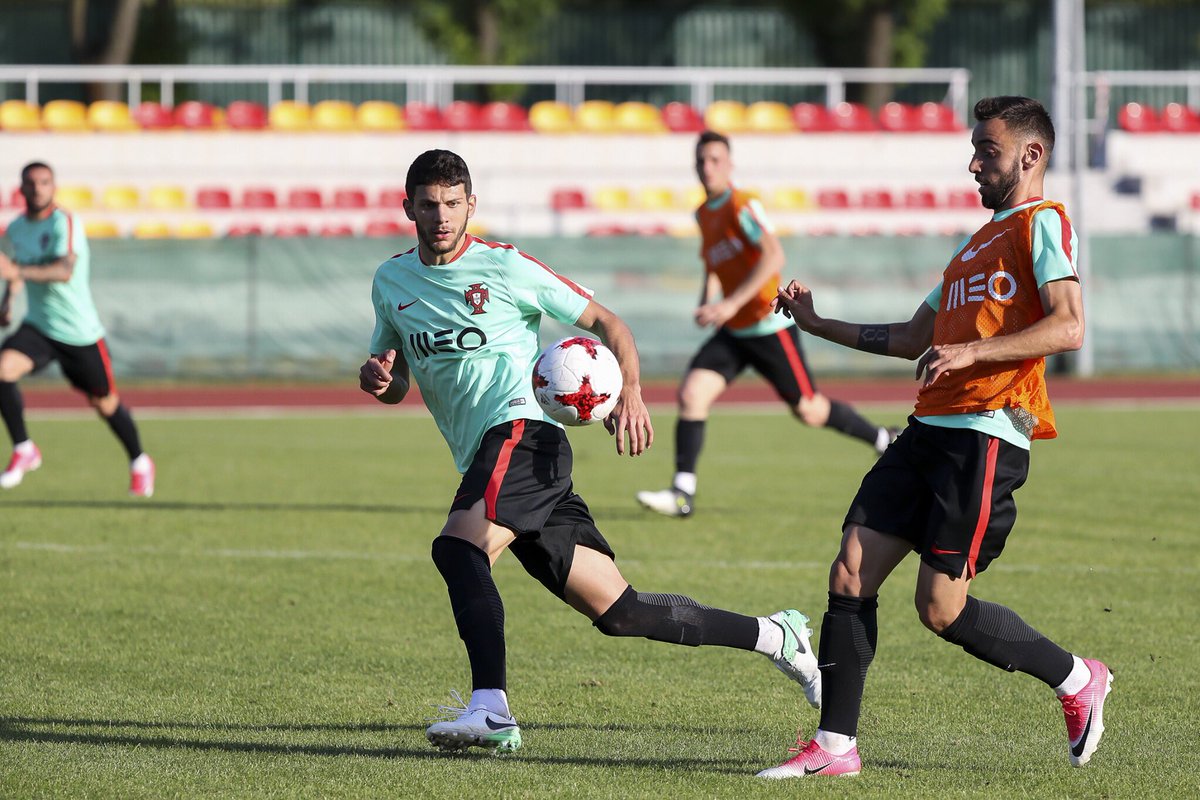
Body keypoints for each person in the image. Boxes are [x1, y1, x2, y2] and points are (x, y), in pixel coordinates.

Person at [359, 149, 821, 754]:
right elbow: (395, 380)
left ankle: (490, 708)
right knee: (621, 612)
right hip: (492, 455)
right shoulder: (391, 282)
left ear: (471, 205)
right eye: (428, 205)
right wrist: (381, 381)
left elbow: (609, 322)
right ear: (408, 208)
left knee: (458, 548)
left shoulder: (506, 267)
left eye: (452, 204)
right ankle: (775, 635)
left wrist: (628, 391)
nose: (441, 216)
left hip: (523, 434)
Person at [756, 96, 1111, 779]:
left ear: (1031, 156)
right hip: (926, 431)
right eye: (974, 149)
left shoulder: (1044, 223)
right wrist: (818, 322)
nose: (973, 163)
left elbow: (1069, 327)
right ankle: (835, 748)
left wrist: (974, 354)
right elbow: (917, 338)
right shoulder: (973, 244)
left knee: (940, 609)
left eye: (988, 151)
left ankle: (1075, 678)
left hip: (982, 438)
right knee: (850, 569)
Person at [636, 130, 894, 519]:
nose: (707, 168)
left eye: (715, 160)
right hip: (733, 330)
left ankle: (882, 437)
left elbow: (774, 256)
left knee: (809, 410)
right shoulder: (703, 213)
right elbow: (713, 262)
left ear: (729, 165)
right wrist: (708, 300)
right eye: (701, 161)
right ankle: (681, 493)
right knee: (692, 394)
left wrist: (730, 303)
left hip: (767, 325)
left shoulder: (743, 204)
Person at [0, 162, 154, 496]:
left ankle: (139, 461)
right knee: (2, 370)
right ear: (22, 188)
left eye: (45, 182)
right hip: (39, 327)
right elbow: (12, 271)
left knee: (105, 404)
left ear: (53, 187)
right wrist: (8, 302)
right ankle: (24, 448)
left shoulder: (64, 222)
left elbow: (63, 270)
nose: (38, 188)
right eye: (32, 182)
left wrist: (17, 272)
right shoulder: (15, 230)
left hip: (79, 333)